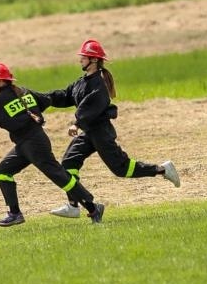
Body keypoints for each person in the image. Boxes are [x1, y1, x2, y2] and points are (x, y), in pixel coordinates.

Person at [39, 38, 181, 218]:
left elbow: (90, 107)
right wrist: (41, 98)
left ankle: (162, 169)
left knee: (121, 168)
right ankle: (74, 205)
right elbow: (65, 96)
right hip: (89, 133)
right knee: (68, 163)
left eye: (83, 57)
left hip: (100, 132)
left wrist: (76, 123)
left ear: (94, 60)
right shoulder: (82, 82)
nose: (80, 60)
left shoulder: (99, 84)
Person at [0, 62, 105, 226]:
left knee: (59, 175)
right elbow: (45, 100)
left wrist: (1, 121)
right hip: (27, 144)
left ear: (0, 82)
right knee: (3, 172)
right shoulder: (24, 92)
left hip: (33, 144)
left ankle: (93, 208)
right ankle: (15, 214)